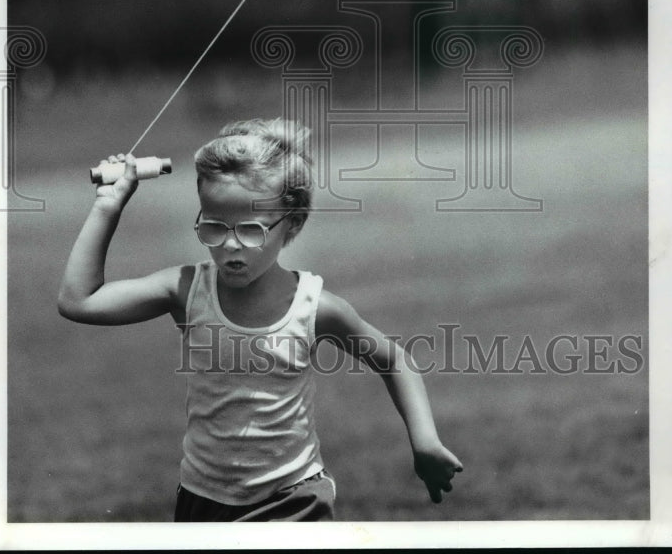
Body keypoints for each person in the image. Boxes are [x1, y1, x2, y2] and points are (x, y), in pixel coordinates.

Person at [58, 118, 462, 522]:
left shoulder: (315, 306)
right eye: (214, 227)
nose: (231, 245)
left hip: (295, 500)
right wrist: (107, 206)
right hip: (203, 501)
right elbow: (79, 301)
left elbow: (394, 360)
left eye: (251, 230)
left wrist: (424, 440)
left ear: (293, 224)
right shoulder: (185, 289)